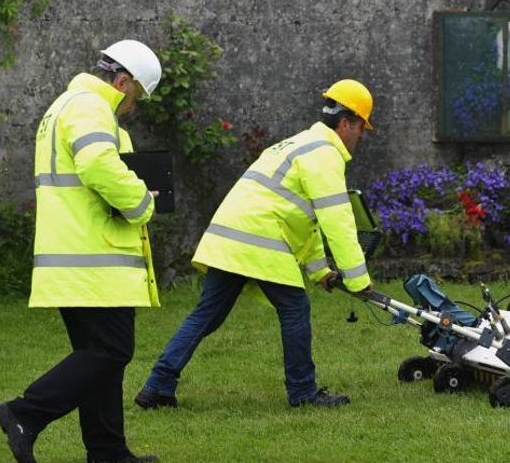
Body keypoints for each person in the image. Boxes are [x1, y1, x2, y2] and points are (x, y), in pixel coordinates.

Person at [134, 79, 375, 410]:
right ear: (346, 122)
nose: (361, 137)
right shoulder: (324, 154)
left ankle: (157, 387)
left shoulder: (296, 144)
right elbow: (337, 221)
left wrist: (320, 271)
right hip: (259, 239)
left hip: (229, 236)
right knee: (294, 308)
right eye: (362, 128)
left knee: (207, 315)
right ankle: (303, 392)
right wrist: (359, 280)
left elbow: (304, 220)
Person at [0, 39, 163, 463]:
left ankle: (106, 448)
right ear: (122, 82)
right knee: (111, 351)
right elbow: (97, 166)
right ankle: (23, 413)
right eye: (136, 97)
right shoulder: (90, 106)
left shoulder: (67, 105)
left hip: (77, 255)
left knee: (97, 352)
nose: (133, 107)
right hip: (94, 256)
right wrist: (143, 202)